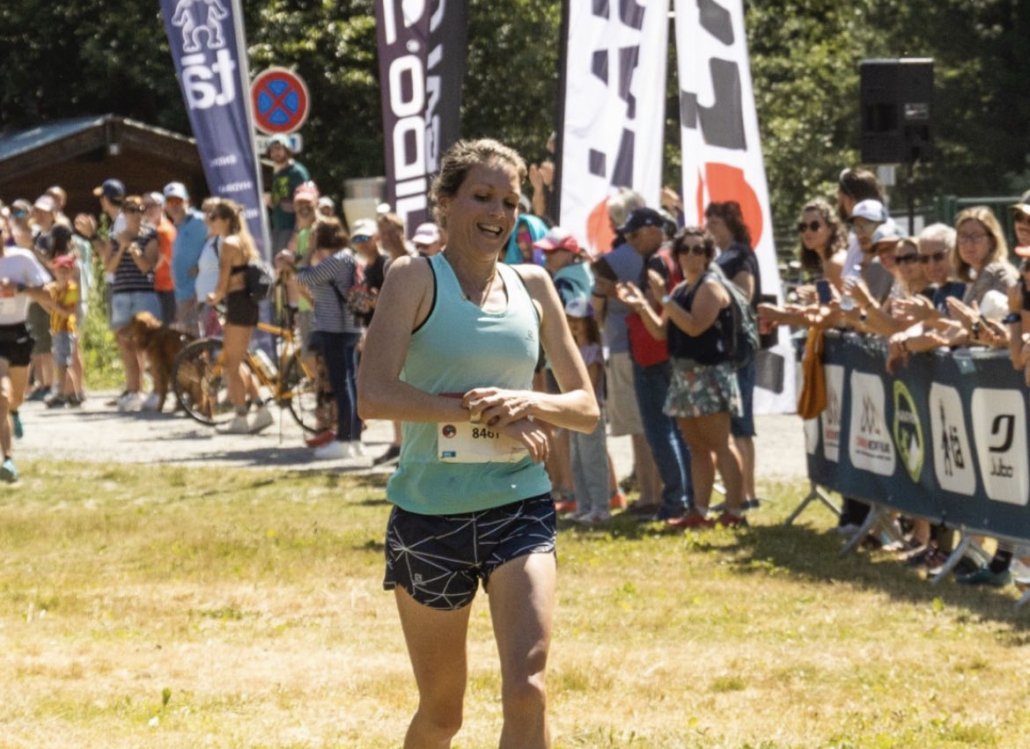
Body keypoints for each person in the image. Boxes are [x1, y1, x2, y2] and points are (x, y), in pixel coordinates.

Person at [357, 138, 597, 749]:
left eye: (510, 201)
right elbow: (374, 395)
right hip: (428, 516)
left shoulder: (535, 285)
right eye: (482, 197)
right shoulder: (413, 277)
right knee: (443, 714)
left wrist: (529, 403)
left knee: (528, 689)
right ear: (445, 203)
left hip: (518, 507)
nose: (497, 213)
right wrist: (487, 415)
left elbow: (585, 409)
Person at [618, 227, 746, 527]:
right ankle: (699, 512)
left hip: (709, 375)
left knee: (720, 443)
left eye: (698, 249)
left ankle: (735, 511)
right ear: (676, 256)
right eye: (685, 249)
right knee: (697, 447)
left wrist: (663, 298)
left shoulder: (710, 287)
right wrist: (642, 306)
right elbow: (661, 331)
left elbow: (693, 326)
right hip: (684, 375)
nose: (691, 255)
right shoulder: (679, 291)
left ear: (708, 254)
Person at [279, 218, 364, 459]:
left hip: (335, 329)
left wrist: (304, 257)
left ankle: (345, 440)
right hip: (349, 327)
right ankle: (354, 439)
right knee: (351, 384)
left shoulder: (336, 260)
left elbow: (304, 279)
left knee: (343, 385)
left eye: (315, 236)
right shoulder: (349, 257)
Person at [705, 200, 761, 511]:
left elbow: (745, 294)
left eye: (716, 222)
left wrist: (714, 294)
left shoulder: (740, 254)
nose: (710, 228)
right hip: (724, 351)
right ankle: (737, 493)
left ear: (731, 223)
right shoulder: (722, 256)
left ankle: (747, 494)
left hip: (738, 349)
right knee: (728, 426)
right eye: (708, 222)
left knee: (741, 425)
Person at [205, 198, 273, 435]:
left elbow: (223, 280)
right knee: (239, 359)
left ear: (224, 220)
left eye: (213, 217)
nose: (209, 221)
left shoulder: (229, 243)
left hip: (238, 303)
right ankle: (262, 409)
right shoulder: (244, 241)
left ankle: (240, 415)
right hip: (247, 304)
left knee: (230, 365)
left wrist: (213, 296)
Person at [0, 219, 53, 481]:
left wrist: (19, 288)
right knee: (1, 395)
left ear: (6, 233)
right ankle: (8, 460)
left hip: (18, 332)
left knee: (15, 399)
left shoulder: (21, 259)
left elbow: (48, 293)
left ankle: (15, 411)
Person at [102, 195, 162, 412]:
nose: (135, 213)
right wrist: (121, 248)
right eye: (130, 209)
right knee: (125, 343)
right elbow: (109, 268)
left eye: (138, 209)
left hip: (144, 294)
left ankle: (157, 390)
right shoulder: (115, 238)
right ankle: (134, 390)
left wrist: (134, 250)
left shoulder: (150, 235)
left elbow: (147, 267)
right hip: (121, 294)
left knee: (150, 344)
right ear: (124, 213)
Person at [563, 297, 610, 525]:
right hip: (572, 413)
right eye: (570, 320)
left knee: (593, 461)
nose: (574, 325)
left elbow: (589, 384)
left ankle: (601, 508)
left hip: (590, 414)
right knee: (577, 461)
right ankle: (584, 506)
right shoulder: (571, 350)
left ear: (588, 323)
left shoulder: (592, 350)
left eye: (579, 320)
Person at [164, 182, 208, 333]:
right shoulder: (173, 227)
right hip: (180, 294)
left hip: (200, 293)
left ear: (187, 201)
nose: (175, 205)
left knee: (201, 340)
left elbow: (220, 243)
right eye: (170, 201)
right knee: (188, 342)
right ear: (166, 206)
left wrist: (202, 266)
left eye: (178, 201)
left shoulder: (201, 221)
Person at [44, 254, 82, 408]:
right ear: (55, 272)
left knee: (63, 363)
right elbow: (45, 301)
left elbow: (68, 312)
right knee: (61, 362)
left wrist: (53, 305)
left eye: (66, 271)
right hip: (56, 329)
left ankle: (63, 393)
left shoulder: (72, 289)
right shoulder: (53, 287)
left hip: (66, 329)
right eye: (60, 271)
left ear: (71, 272)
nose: (63, 274)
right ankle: (72, 394)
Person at [266, 134, 311, 252]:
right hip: (278, 228)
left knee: (289, 265)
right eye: (272, 150)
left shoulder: (297, 172)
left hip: (292, 228)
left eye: (279, 149)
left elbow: (306, 205)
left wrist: (297, 235)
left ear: (287, 150)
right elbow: (278, 201)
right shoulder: (278, 174)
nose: (275, 153)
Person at [144, 191, 177, 327]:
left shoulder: (164, 230)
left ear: (162, 207)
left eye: (153, 205)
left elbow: (161, 260)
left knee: (163, 331)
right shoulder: (152, 229)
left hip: (165, 289)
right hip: (158, 288)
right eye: (145, 206)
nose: (149, 209)